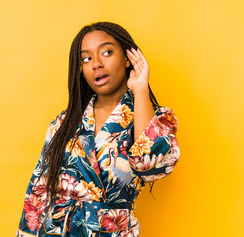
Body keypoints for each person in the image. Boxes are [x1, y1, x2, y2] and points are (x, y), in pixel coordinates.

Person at [16, 21, 180, 237]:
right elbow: (38, 193)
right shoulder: (64, 123)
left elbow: (152, 168)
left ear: (127, 58)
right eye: (87, 58)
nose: (96, 64)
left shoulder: (149, 119)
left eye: (107, 52)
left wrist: (140, 88)